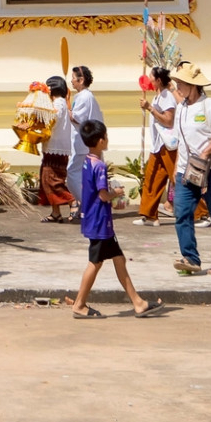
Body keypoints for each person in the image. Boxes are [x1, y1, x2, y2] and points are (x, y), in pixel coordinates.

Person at [70, 120, 157, 318]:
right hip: (100, 221)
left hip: (95, 219)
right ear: (101, 141)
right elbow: (102, 195)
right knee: (95, 262)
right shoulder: (99, 166)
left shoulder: (86, 162)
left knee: (118, 258)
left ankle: (138, 302)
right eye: (106, 137)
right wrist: (116, 193)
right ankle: (79, 304)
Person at [168, 62, 211, 276]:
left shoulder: (210, 105)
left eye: (180, 83)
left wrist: (206, 152)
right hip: (185, 170)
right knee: (182, 212)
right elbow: (181, 140)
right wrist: (177, 165)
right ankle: (190, 257)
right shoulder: (181, 108)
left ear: (193, 85)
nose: (177, 87)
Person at [137, 66, 177, 225]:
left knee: (177, 178)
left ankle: (201, 212)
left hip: (168, 145)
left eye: (151, 78)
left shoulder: (167, 96)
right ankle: (149, 214)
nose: (149, 80)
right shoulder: (157, 96)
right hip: (157, 145)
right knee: (152, 177)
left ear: (159, 80)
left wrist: (150, 109)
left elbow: (168, 120)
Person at [37, 75, 75, 222]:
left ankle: (73, 201)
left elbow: (54, 118)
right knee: (51, 179)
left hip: (56, 148)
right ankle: (55, 213)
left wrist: (39, 118)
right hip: (56, 147)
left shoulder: (58, 103)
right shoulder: (60, 102)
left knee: (51, 180)